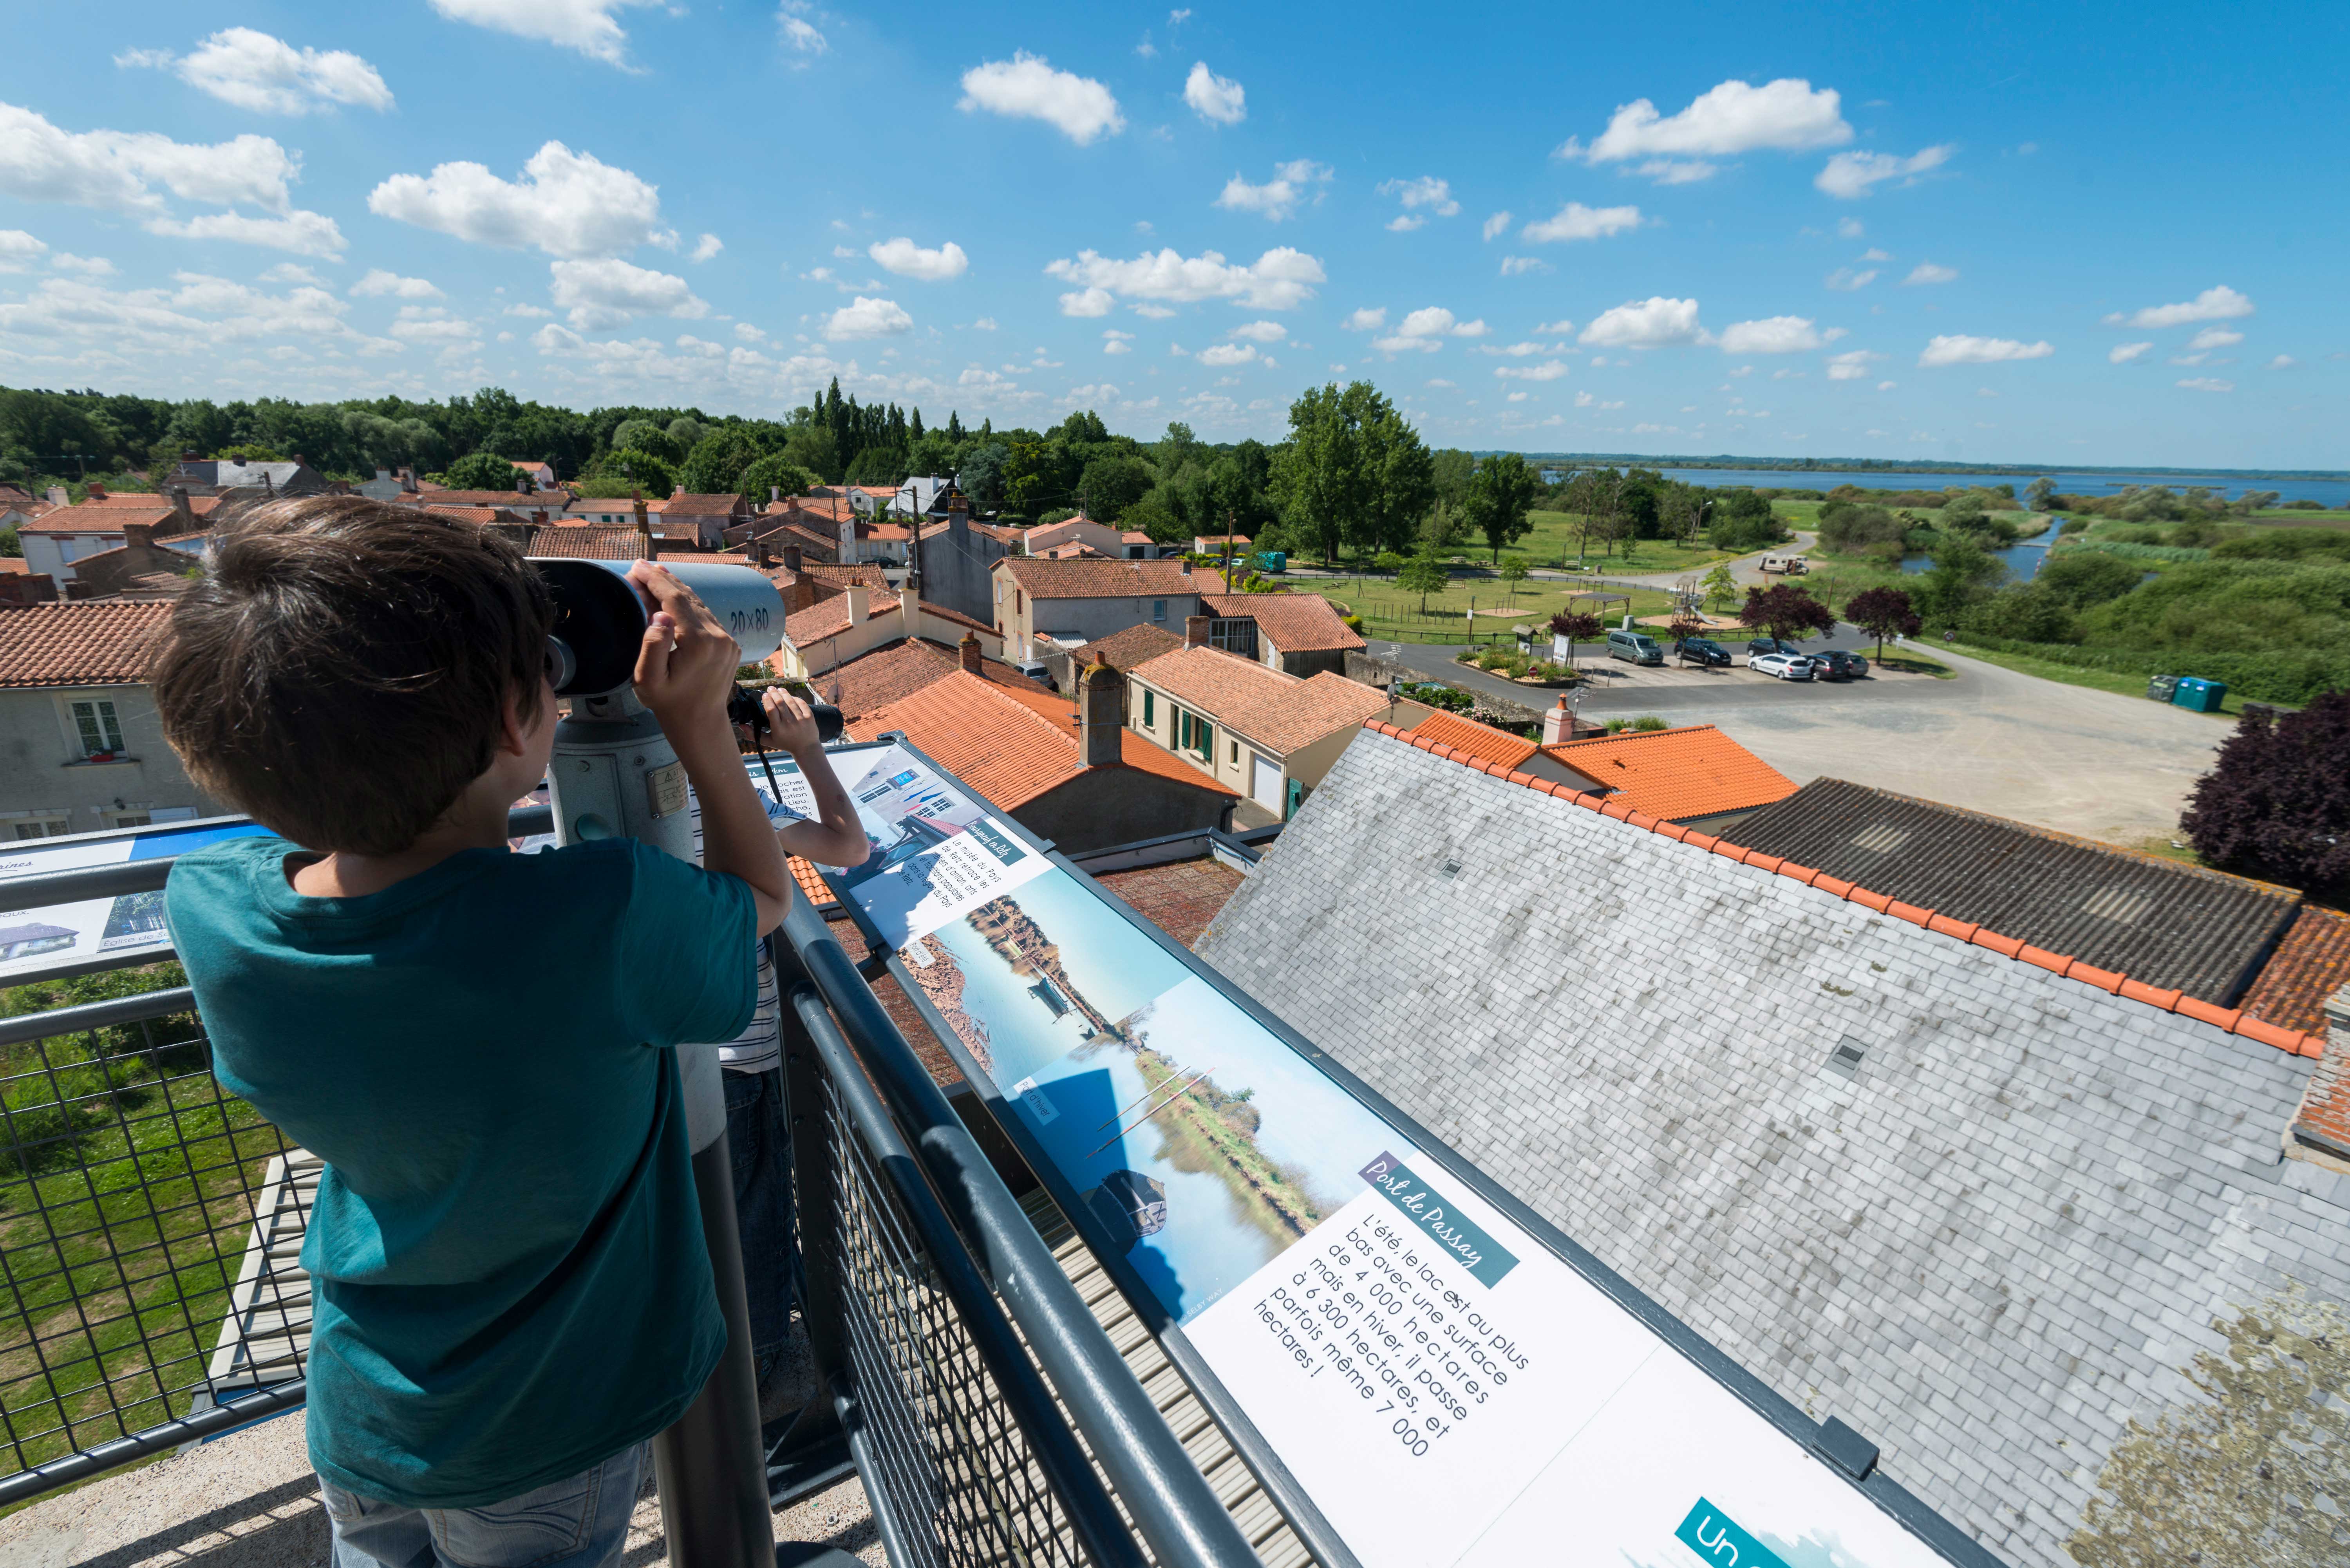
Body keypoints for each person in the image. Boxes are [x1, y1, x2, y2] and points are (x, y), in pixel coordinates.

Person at [155, 496, 794, 1568]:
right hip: (545, 1425)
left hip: (368, 1407)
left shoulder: (214, 911)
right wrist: (700, 728)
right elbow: (761, 899)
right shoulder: (597, 920)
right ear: (513, 719)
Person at [708, 701, 864, 1422]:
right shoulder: (729, 798)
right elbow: (849, 846)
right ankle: (763, 1377)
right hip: (740, 1053)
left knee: (707, 1216)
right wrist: (806, 750)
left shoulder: (622, 795)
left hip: (670, 1052)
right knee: (758, 1217)